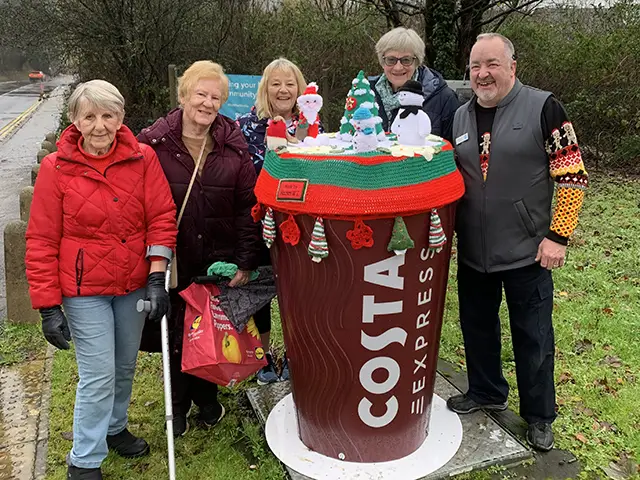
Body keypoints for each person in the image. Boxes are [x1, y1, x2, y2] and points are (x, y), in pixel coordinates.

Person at [25, 80, 177, 480]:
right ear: (75, 120)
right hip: (82, 290)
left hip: (132, 285)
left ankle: (113, 428)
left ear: (120, 118)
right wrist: (46, 305)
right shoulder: (55, 168)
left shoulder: (143, 158)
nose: (99, 125)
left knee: (124, 364)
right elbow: (41, 238)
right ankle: (85, 460)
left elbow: (162, 218)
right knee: (98, 374)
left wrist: (157, 278)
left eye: (108, 115)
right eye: (89, 116)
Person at [449, 33, 588, 452]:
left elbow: (572, 176)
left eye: (492, 64)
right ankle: (487, 390)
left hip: (529, 249)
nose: (482, 74)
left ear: (512, 67)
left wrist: (557, 236)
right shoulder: (459, 117)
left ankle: (539, 415)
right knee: (477, 329)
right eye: (475, 66)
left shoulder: (545, 107)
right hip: (474, 250)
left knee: (534, 337)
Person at [138, 60, 261, 436]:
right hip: (174, 257)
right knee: (177, 334)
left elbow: (247, 208)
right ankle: (177, 408)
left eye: (216, 97)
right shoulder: (152, 145)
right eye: (201, 94)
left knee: (207, 329)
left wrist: (245, 260)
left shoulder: (233, 147)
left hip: (217, 258)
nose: (207, 103)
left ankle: (208, 402)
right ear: (183, 95)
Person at [236, 57, 308, 384]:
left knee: (298, 292)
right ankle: (263, 358)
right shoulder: (245, 124)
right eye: (275, 83)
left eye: (289, 83)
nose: (283, 89)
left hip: (303, 224)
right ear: (265, 88)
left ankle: (297, 355)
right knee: (262, 290)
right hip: (259, 221)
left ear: (299, 88)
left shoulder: (311, 125)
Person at [370, 27, 459, 142]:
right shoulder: (367, 94)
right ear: (382, 62)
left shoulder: (444, 98)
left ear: (417, 62)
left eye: (406, 60)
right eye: (391, 60)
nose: (398, 67)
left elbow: (452, 150)